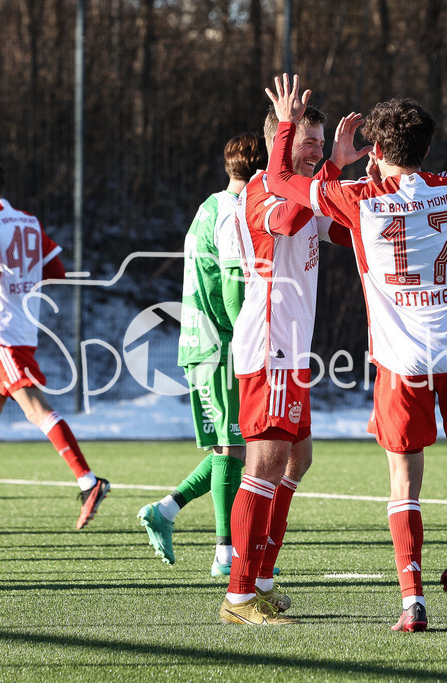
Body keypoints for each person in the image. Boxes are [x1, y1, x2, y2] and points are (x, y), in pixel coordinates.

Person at [264, 74, 447, 632]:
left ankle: (411, 602)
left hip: (402, 361)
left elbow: (278, 179)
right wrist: (382, 168)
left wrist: (324, 152)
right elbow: (423, 186)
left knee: (405, 478)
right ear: (425, 147)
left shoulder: (359, 201)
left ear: (375, 150)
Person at [218, 102, 359, 626]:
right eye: (308, 142)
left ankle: (262, 579)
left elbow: (338, 230)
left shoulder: (302, 185)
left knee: (298, 462)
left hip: (293, 352)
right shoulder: (263, 190)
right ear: (281, 141)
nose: (318, 151)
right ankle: (238, 594)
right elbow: (293, 215)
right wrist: (332, 173)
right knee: (263, 467)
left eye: (322, 143)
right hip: (270, 347)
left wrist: (374, 200)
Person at [0, 154, 109, 530]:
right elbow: (56, 270)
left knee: (35, 410)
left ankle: (89, 481)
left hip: (3, 333)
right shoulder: (28, 220)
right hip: (19, 328)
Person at [137, 133, 267, 576]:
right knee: (234, 446)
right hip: (222, 343)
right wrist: (253, 339)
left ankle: (166, 510)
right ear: (261, 170)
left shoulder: (209, 205)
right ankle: (224, 553)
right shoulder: (235, 213)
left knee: (232, 445)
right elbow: (231, 292)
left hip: (200, 340)